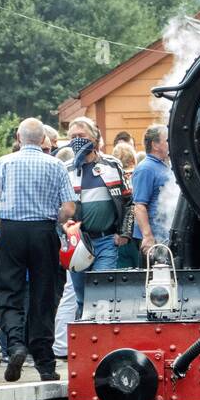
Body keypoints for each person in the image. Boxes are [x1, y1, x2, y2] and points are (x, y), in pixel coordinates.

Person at [0, 117, 74, 383]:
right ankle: (45, 364)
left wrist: (1, 226)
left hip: (11, 231)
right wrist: (51, 222)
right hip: (43, 232)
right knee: (43, 295)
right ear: (44, 140)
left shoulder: (3, 163)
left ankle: (15, 345)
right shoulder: (56, 165)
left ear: (18, 136)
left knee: (8, 292)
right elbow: (69, 209)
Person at [64, 117, 133, 314]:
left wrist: (125, 232)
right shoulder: (66, 168)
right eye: (73, 137)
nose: (77, 140)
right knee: (82, 298)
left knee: (103, 295)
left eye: (81, 136)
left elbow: (128, 201)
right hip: (78, 241)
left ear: (94, 138)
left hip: (106, 240)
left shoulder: (112, 165)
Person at [121, 123, 170, 269]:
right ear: (155, 144)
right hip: (154, 236)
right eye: (166, 140)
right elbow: (140, 206)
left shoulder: (164, 165)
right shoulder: (146, 169)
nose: (170, 143)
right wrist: (148, 236)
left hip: (164, 233)